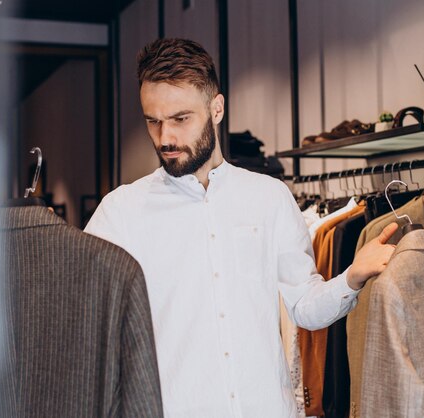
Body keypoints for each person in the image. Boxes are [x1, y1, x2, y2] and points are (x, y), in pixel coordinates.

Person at [85, 37, 398, 418]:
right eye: (154, 121)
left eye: (180, 119)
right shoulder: (120, 213)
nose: (165, 138)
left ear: (216, 108)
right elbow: (87, 328)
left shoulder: (269, 198)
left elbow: (304, 307)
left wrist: (352, 276)